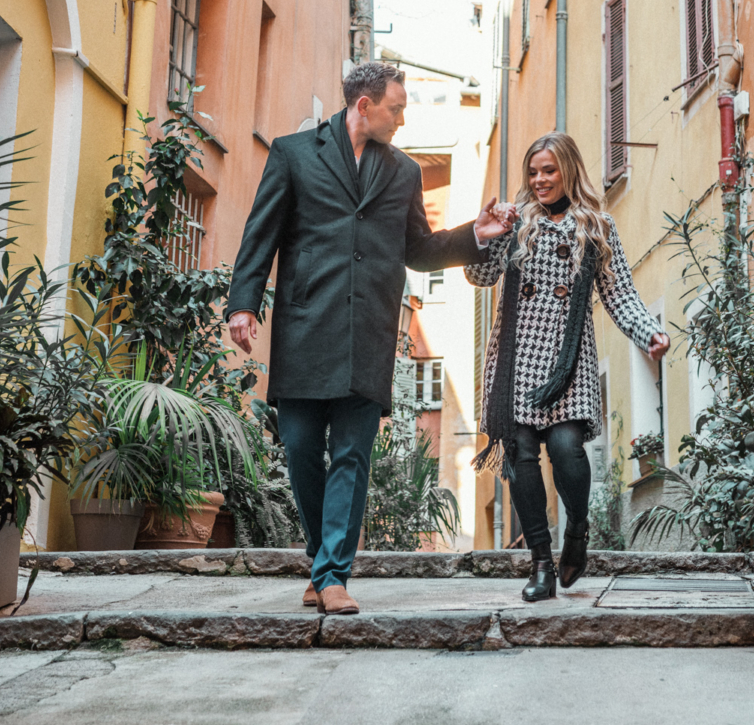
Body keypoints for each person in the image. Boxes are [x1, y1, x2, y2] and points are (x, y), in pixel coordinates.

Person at [226, 61, 515, 615]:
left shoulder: (404, 172)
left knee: (352, 455)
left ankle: (332, 573)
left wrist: (475, 234)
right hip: (306, 325)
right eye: (397, 108)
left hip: (371, 331)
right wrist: (244, 303)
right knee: (303, 450)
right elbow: (260, 231)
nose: (403, 119)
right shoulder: (293, 154)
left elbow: (420, 250)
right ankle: (321, 559)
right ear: (365, 105)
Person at [468, 132, 670, 602]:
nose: (539, 180)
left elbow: (618, 293)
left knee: (566, 452)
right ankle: (540, 563)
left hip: (567, 360)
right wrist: (484, 235)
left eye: (549, 171)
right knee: (520, 456)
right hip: (516, 359)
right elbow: (481, 277)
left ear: (568, 171)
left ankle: (577, 530)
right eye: (533, 172)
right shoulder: (516, 223)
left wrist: (648, 333)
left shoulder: (597, 226)